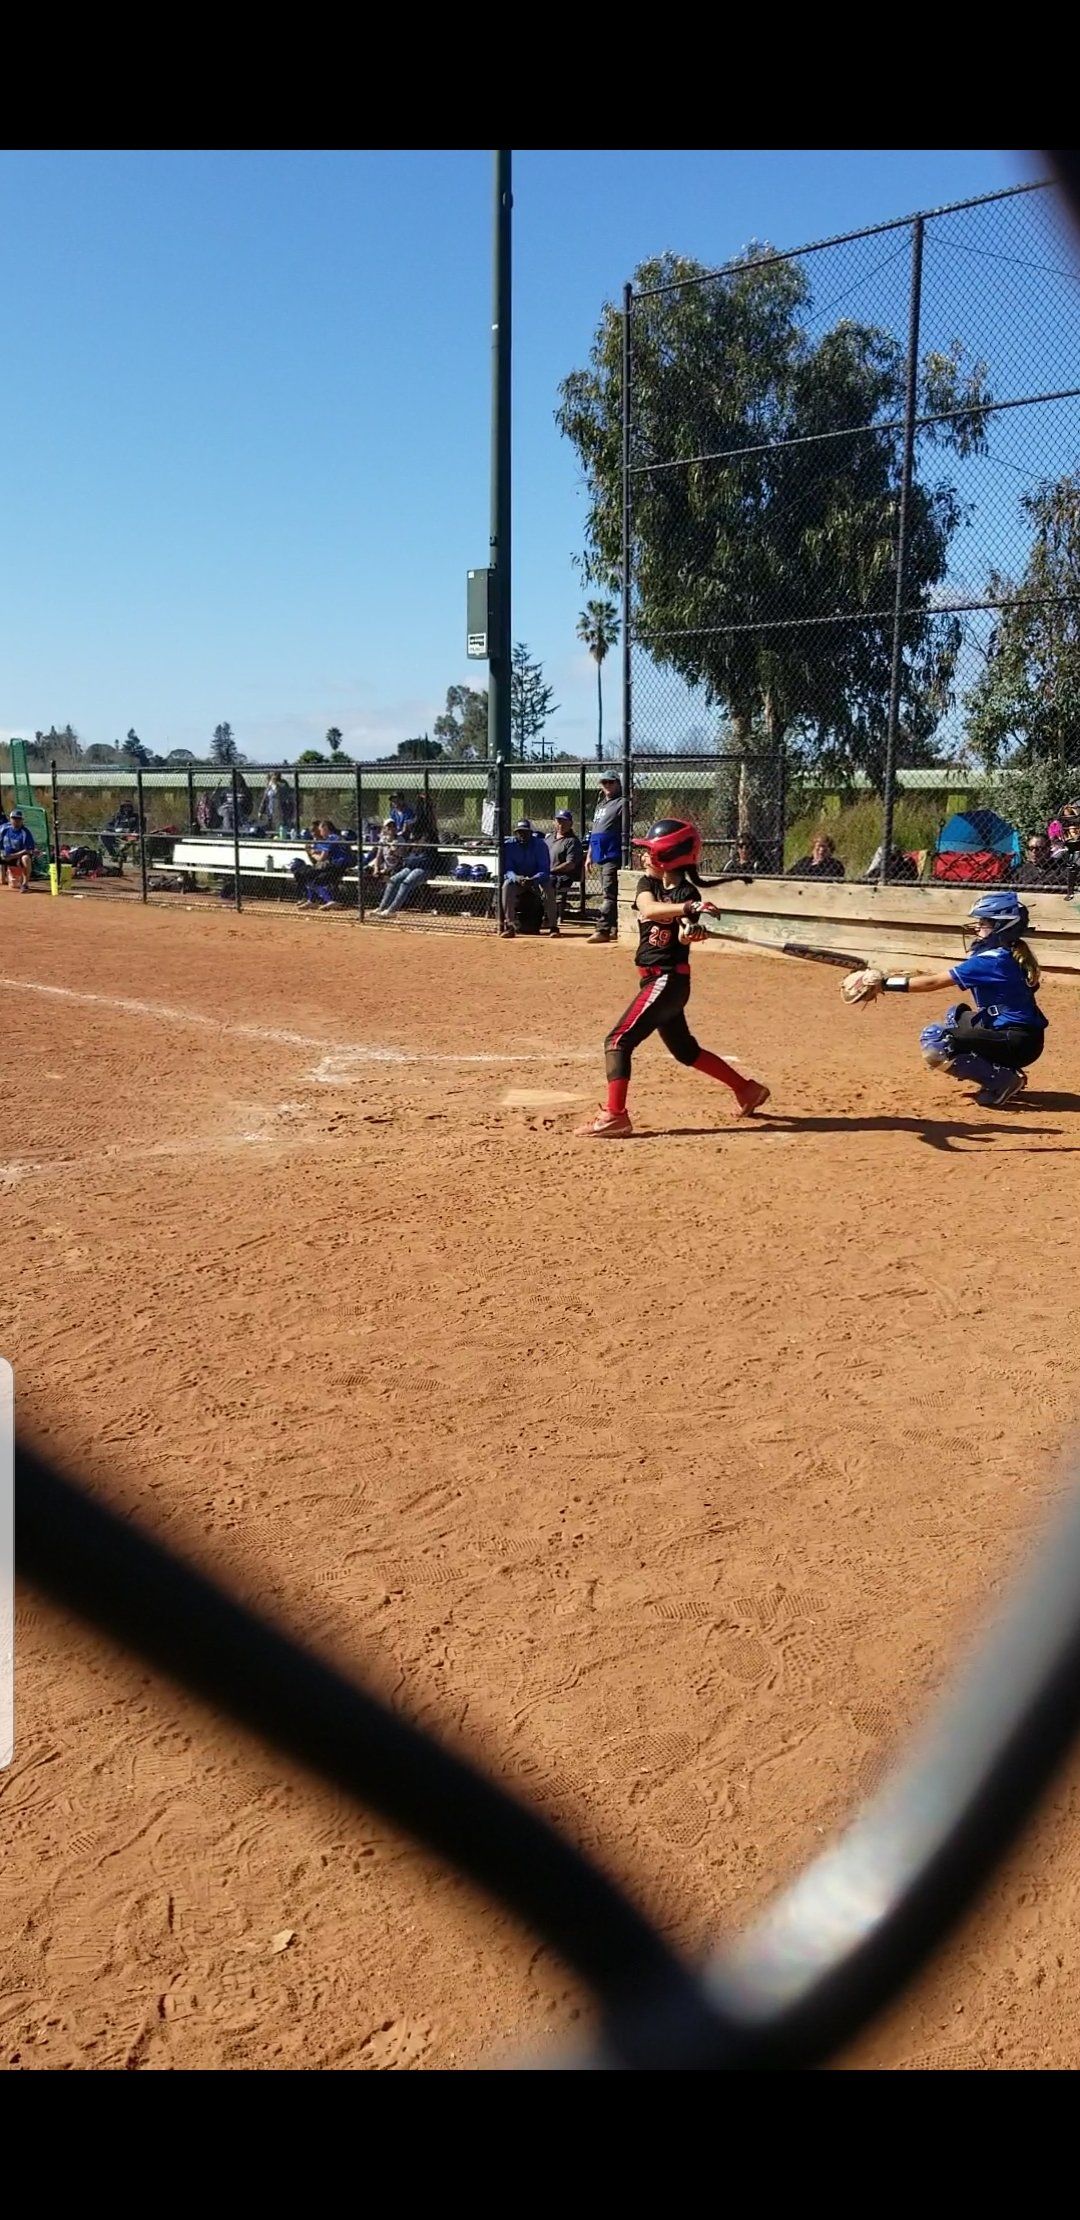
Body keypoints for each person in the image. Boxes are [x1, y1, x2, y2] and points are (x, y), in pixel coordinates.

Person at [576, 817, 770, 1139]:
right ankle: (747, 1089)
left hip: (666, 980)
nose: (643, 857)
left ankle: (615, 1116)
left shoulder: (687, 892)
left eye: (650, 852)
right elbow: (650, 910)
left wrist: (689, 932)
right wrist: (688, 908)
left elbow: (681, 934)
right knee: (685, 1051)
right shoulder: (649, 886)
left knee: (617, 1041)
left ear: (668, 856)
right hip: (661, 983)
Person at [842, 890, 1047, 1110]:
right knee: (956, 1017)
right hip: (1022, 1037)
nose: (977, 927)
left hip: (1017, 1042)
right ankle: (1004, 1070)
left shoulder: (992, 961)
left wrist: (884, 984)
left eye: (984, 922)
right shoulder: (1008, 954)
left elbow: (932, 983)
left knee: (936, 1040)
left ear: (1001, 926)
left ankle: (1002, 1081)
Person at [377, 795, 440, 914]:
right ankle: (381, 907)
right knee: (393, 880)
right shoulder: (413, 836)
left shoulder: (430, 834)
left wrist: (427, 804)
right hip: (412, 866)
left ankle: (391, 910)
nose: (412, 829)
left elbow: (430, 820)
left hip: (425, 868)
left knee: (406, 883)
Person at [501, 817, 559, 938]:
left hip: (536, 882)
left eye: (525, 832)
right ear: (515, 833)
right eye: (519, 832)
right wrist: (517, 878)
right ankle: (509, 926)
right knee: (507, 885)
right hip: (518, 882)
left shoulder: (540, 845)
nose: (522, 834)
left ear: (530, 833)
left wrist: (534, 879)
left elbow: (545, 870)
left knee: (548, 887)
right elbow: (508, 870)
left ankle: (554, 927)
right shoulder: (509, 845)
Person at [585, 772, 624, 942]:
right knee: (609, 892)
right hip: (599, 854)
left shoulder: (622, 803)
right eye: (604, 782)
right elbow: (595, 831)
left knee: (609, 894)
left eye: (611, 782)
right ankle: (614, 927)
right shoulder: (601, 805)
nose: (607, 785)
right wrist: (589, 856)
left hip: (612, 853)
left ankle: (602, 930)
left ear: (618, 784)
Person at [291, 820, 355, 912]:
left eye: (321, 829)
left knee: (312, 876)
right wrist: (314, 850)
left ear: (326, 828)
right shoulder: (336, 837)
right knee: (311, 875)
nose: (320, 832)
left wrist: (311, 853)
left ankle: (327, 900)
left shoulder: (332, 838)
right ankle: (313, 901)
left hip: (337, 866)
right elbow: (323, 852)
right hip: (338, 865)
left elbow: (322, 858)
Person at [549, 809, 584, 919]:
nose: (561, 825)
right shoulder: (549, 838)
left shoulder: (572, 841)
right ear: (554, 822)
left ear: (571, 823)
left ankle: (550, 916)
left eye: (564, 822)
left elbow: (570, 864)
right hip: (546, 872)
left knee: (550, 881)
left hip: (562, 875)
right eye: (559, 821)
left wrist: (551, 870)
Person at [0, 807, 35, 891]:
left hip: (18, 857)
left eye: (19, 819)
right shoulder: (3, 828)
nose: (16, 821)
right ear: (10, 819)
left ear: (22, 820)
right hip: (5, 855)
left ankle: (25, 884)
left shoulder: (25, 832)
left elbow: (28, 849)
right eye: (14, 818)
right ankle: (3, 878)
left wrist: (12, 856)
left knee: (26, 858)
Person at [100, 799, 140, 869]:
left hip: (129, 834)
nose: (127, 808)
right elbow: (108, 825)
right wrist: (114, 830)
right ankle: (114, 854)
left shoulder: (135, 816)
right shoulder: (117, 816)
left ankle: (122, 854)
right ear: (122, 807)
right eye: (125, 807)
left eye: (128, 807)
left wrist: (132, 831)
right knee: (104, 834)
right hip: (117, 834)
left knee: (131, 840)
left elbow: (139, 827)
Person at [259, 770, 294, 836]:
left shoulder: (283, 783)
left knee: (281, 824)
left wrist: (276, 784)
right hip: (270, 807)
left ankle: (281, 835)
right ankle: (271, 835)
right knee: (270, 824)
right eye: (273, 775)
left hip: (281, 808)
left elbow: (285, 794)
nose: (274, 776)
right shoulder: (269, 785)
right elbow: (265, 798)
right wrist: (261, 811)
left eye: (276, 775)